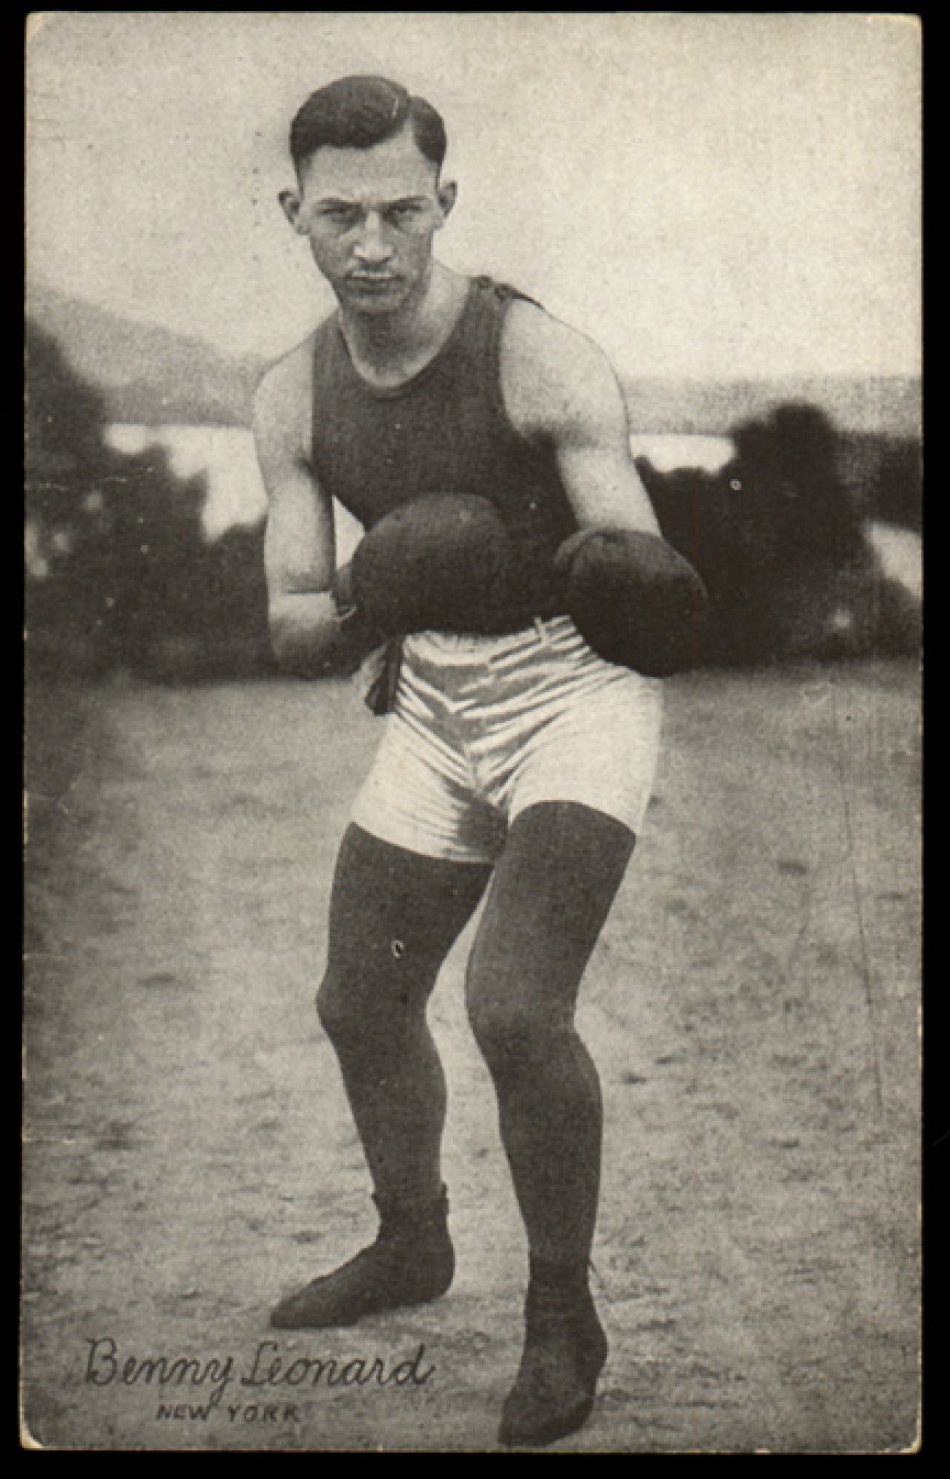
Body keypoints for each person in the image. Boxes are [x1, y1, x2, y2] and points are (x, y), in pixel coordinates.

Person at [253, 75, 694, 1448]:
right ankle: (412, 1241)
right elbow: (290, 625)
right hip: (438, 700)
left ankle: (563, 1317)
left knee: (513, 1008)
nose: (372, 244)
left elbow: (642, 581)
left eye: (401, 211)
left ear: (444, 203)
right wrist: (377, 592)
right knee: (358, 1000)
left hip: (573, 694)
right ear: (292, 213)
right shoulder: (289, 397)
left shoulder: (539, 359)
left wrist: (600, 578)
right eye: (340, 216)